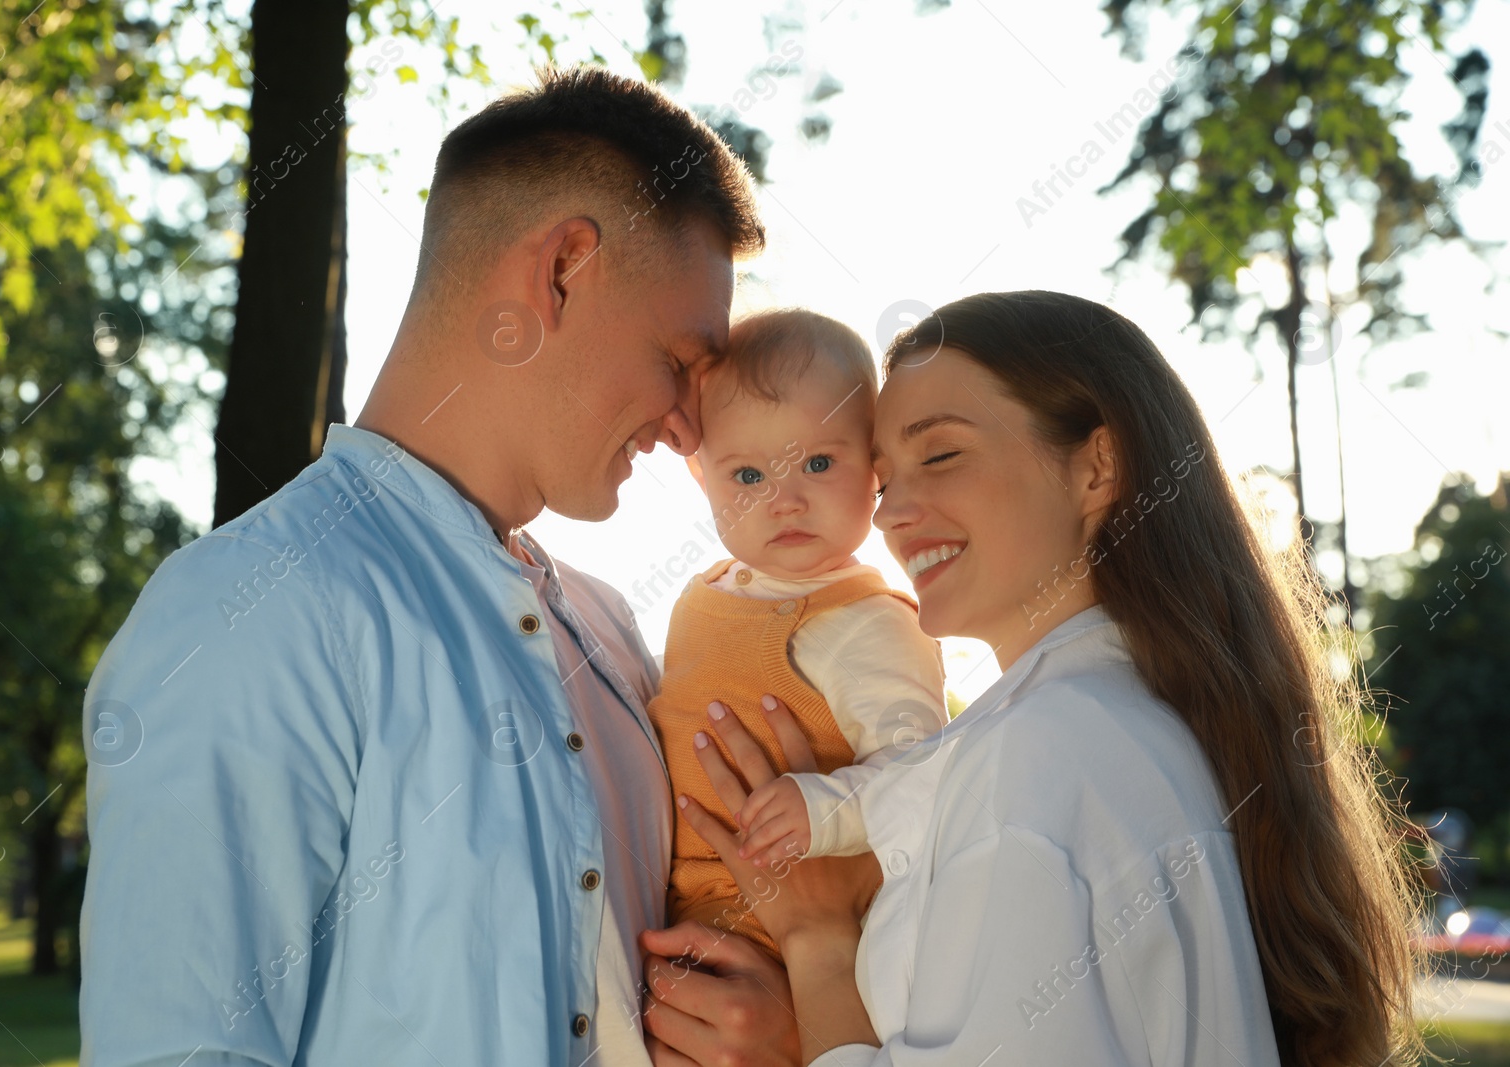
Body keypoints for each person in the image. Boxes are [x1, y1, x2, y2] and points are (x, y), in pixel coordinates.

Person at [79, 66, 798, 1065]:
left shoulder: (616, 638)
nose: (688, 425)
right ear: (560, 270)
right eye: (679, 359)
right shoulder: (251, 613)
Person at [654, 291, 1423, 1066]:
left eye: (941, 454)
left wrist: (814, 941)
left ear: (1097, 466)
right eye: (886, 480)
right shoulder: (1127, 723)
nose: (891, 514)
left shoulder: (1035, 758)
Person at [647, 308, 946, 959]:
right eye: (749, 476)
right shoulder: (702, 595)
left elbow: (925, 775)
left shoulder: (868, 621)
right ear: (703, 477)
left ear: (874, 466)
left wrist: (825, 807)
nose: (783, 499)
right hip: (671, 913)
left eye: (817, 462)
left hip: (790, 940)